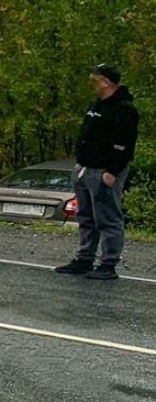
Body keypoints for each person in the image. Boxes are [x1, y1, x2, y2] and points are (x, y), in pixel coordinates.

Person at [55, 64, 140, 280]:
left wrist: (112, 170)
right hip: (85, 168)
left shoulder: (124, 109)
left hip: (105, 170)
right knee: (86, 216)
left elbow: (125, 143)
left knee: (108, 217)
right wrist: (80, 162)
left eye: (95, 77)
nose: (92, 80)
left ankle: (108, 263)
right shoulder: (97, 105)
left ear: (106, 81)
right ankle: (85, 258)